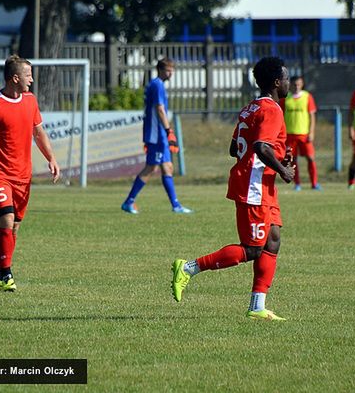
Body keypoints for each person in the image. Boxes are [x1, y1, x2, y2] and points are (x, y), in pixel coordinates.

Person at [171, 56, 295, 320]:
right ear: (276, 82)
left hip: (261, 183)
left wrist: (279, 158)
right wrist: (282, 168)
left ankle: (257, 306)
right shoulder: (272, 109)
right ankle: (189, 268)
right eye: (286, 78)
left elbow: (235, 149)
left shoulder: (251, 107)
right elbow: (261, 147)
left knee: (272, 240)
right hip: (254, 187)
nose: (289, 82)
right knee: (253, 249)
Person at [0, 55, 60, 291]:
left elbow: (39, 133)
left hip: (23, 176)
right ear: (15, 78)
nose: (32, 79)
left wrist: (52, 159)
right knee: (5, 218)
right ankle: (6, 275)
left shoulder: (30, 101)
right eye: (28, 75)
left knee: (14, 227)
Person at [121, 58, 192, 214]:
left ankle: (176, 206)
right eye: (168, 70)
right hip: (157, 134)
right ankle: (129, 201)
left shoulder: (155, 84)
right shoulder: (157, 85)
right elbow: (159, 109)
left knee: (168, 167)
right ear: (160, 70)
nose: (171, 73)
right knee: (151, 167)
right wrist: (168, 130)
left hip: (159, 133)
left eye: (172, 70)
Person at [280, 75, 321, 191]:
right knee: (293, 160)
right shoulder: (286, 98)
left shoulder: (307, 97)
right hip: (289, 134)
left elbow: (312, 116)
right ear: (291, 85)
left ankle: (314, 183)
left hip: (304, 134)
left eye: (299, 83)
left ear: (302, 84)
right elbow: (281, 115)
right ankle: (297, 184)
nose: (297, 86)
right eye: (295, 84)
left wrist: (311, 132)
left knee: (310, 158)